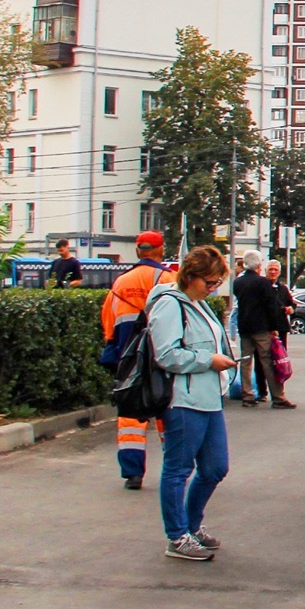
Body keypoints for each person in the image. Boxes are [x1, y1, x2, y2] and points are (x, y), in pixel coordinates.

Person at [148, 246, 238, 562]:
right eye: (209, 282)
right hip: (183, 400)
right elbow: (166, 354)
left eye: (217, 283)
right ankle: (177, 535)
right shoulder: (171, 305)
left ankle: (190, 526)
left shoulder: (198, 304)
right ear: (191, 276)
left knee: (215, 467)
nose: (213, 288)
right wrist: (208, 360)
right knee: (178, 469)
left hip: (208, 397)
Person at [100, 231, 178, 490]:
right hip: (163, 357)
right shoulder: (169, 279)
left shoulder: (121, 282)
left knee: (131, 416)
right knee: (168, 411)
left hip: (129, 359)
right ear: (159, 250)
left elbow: (109, 322)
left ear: (137, 251)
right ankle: (175, 468)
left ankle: (133, 474)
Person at [231, 253, 294, 409]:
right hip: (261, 327)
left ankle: (247, 396)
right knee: (267, 361)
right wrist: (274, 328)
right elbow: (270, 307)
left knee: (246, 362)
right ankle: (278, 397)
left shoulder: (237, 282)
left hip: (244, 326)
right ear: (259, 266)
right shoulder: (263, 283)